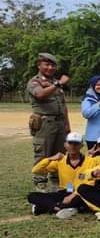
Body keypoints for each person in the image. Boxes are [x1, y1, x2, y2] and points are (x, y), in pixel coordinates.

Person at [27, 53, 71, 190]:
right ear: (39, 65)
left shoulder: (53, 82)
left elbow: (63, 105)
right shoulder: (35, 81)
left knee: (60, 154)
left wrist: (67, 124)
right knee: (43, 154)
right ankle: (40, 184)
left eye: (53, 65)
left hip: (60, 123)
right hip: (44, 124)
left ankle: (56, 183)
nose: (50, 67)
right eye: (47, 64)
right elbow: (40, 94)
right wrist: (59, 84)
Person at [28, 132, 95, 218]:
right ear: (65, 145)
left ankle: (44, 207)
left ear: (81, 146)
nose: (73, 146)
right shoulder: (61, 161)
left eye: (76, 144)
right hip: (65, 192)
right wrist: (49, 159)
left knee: (82, 199)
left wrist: (72, 196)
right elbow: (36, 170)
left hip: (80, 193)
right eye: (70, 143)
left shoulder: (90, 161)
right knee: (32, 196)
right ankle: (59, 208)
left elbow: (92, 182)